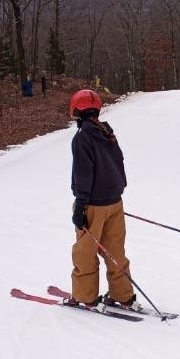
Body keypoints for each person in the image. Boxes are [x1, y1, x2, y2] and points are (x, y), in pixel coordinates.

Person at [64, 88, 139, 311]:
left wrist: (80, 205)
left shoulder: (82, 138)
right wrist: (116, 190)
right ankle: (122, 295)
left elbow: (83, 173)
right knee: (115, 250)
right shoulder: (107, 132)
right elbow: (119, 164)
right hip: (114, 202)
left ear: (76, 110)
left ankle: (85, 296)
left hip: (93, 205)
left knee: (85, 252)